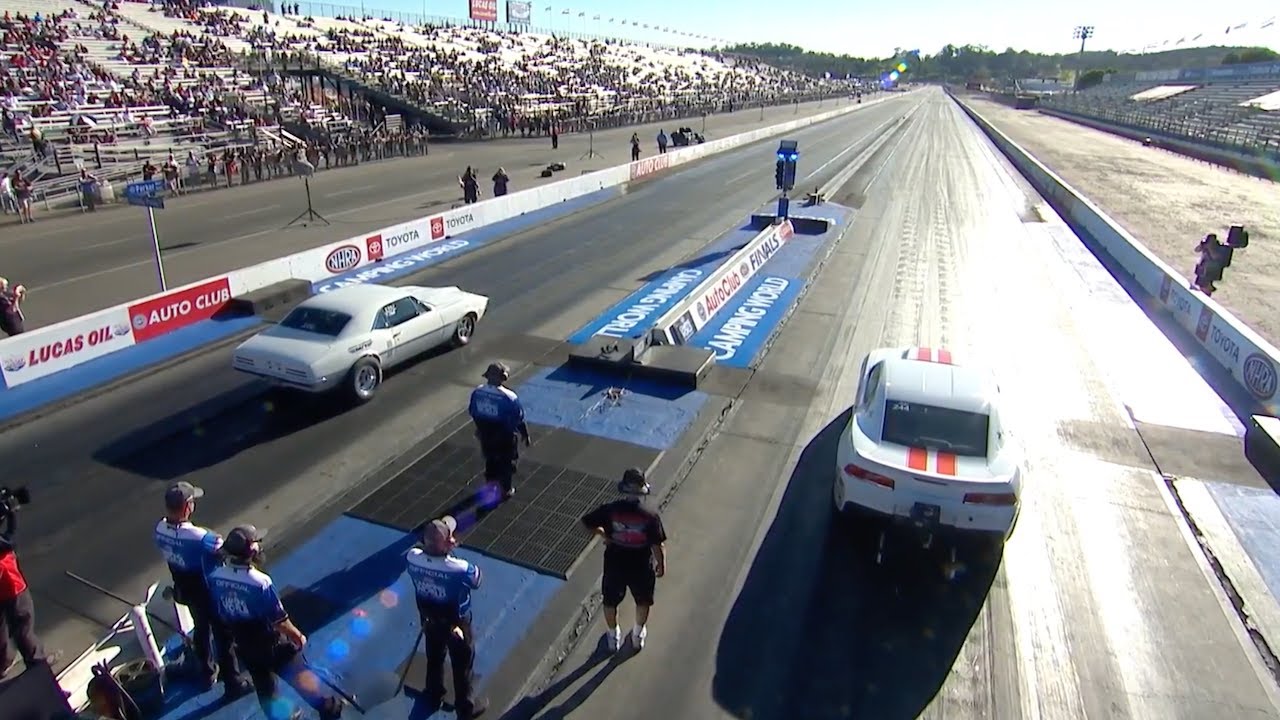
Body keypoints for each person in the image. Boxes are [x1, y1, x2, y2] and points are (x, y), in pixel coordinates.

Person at [208, 526, 344, 720]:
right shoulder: (259, 582)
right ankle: (329, 709)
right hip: (269, 641)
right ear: (251, 551)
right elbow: (278, 619)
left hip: (244, 643)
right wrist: (297, 635)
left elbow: (220, 609)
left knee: (265, 687)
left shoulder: (216, 577)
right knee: (301, 677)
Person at [153, 482, 249, 696]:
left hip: (186, 590)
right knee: (223, 636)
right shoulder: (201, 537)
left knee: (201, 629)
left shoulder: (159, 529)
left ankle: (206, 672)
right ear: (187, 507)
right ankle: (233, 682)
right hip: (209, 592)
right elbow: (225, 550)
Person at [406, 516, 488, 719]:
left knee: (434, 657)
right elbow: (477, 579)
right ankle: (465, 708)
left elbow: (421, 552)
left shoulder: (412, 557)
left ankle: (433, 693)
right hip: (456, 624)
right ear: (448, 542)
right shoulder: (459, 568)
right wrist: (450, 550)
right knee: (462, 664)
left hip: (429, 620)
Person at [580, 468, 667, 652]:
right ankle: (637, 635)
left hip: (614, 563)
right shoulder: (650, 516)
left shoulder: (610, 510)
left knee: (610, 601)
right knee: (643, 601)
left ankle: (613, 636)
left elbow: (587, 522)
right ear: (642, 492)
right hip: (642, 565)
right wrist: (661, 564)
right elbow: (657, 544)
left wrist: (605, 535)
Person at [0, 488, 52, 680]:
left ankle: (3, 663)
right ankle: (38, 666)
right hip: (13, 590)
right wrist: (12, 516)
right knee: (23, 631)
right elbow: (9, 540)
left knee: (2, 633)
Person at [467, 362, 530, 500]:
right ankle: (505, 490)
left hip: (485, 435)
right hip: (504, 436)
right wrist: (525, 434)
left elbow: (472, 411)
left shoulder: (478, 391)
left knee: (490, 462)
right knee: (506, 463)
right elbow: (518, 418)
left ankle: (490, 489)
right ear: (504, 377)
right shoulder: (509, 397)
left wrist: (481, 429)